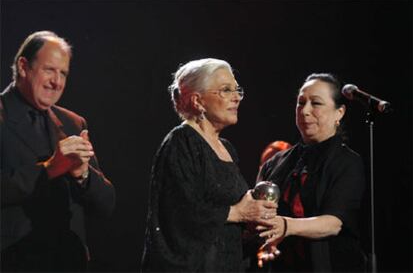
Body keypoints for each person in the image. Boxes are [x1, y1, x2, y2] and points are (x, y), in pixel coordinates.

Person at [141, 58, 277, 272]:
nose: (237, 97)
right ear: (198, 101)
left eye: (237, 90)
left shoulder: (227, 148)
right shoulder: (180, 142)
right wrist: (239, 213)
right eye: (226, 90)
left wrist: (253, 220)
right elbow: (179, 213)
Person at [0, 31, 115, 272]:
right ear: (23, 66)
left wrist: (83, 175)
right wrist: (50, 169)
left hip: (67, 261)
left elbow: (106, 203)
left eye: (63, 73)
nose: (57, 82)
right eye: (49, 70)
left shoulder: (74, 123)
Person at [256, 73, 367, 272]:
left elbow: (334, 223)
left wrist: (285, 226)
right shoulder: (275, 163)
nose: (304, 111)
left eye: (315, 103)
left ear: (339, 113)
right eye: (300, 102)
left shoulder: (348, 162)